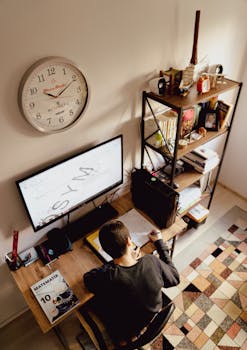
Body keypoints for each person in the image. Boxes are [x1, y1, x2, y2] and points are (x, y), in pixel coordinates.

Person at [83, 219, 180, 346]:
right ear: (129, 241)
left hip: (125, 331)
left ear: (105, 250)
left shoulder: (108, 276)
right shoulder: (151, 261)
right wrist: (159, 243)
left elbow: (88, 279)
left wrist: (113, 263)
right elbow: (175, 278)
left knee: (89, 304)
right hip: (149, 317)